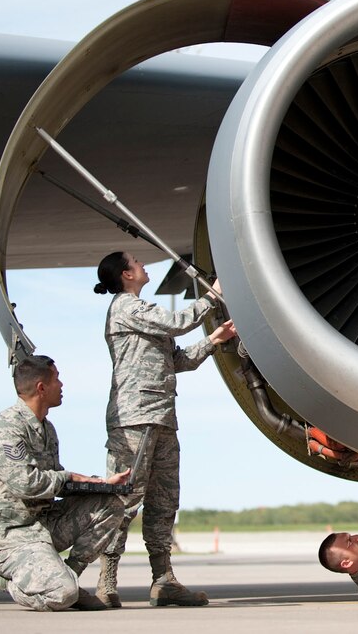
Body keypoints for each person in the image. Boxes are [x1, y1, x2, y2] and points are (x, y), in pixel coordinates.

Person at [92, 251, 236, 607]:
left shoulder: (143, 314)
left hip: (161, 416)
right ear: (126, 274)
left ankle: (163, 579)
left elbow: (177, 360)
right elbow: (176, 322)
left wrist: (213, 341)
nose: (144, 266)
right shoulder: (126, 307)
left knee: (163, 499)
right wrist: (214, 295)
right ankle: (107, 579)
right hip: (135, 417)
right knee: (124, 499)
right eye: (138, 262)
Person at [0, 354, 130, 612]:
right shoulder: (8, 427)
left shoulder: (46, 429)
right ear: (41, 387)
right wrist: (68, 477)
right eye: (57, 379)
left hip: (44, 524)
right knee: (61, 595)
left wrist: (102, 484)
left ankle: (69, 576)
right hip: (11, 535)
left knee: (111, 504)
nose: (62, 385)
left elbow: (57, 480)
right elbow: (24, 484)